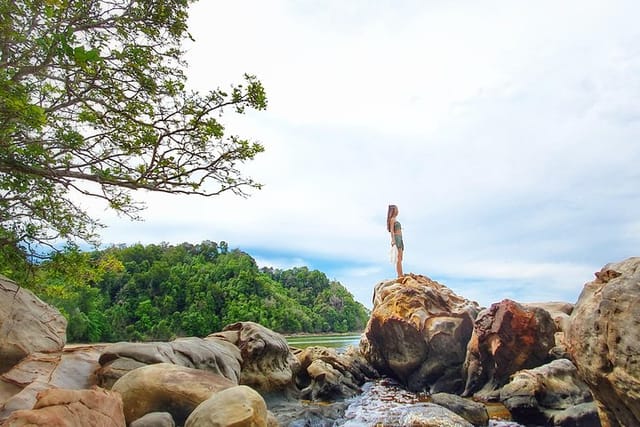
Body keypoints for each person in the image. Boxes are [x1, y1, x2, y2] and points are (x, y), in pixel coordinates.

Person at [387, 204, 404, 277]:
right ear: (394, 210)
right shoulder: (392, 219)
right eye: (396, 209)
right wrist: (393, 240)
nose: (398, 210)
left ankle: (400, 274)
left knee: (401, 258)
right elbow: (391, 231)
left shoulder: (395, 219)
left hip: (400, 238)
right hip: (397, 238)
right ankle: (400, 275)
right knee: (398, 258)